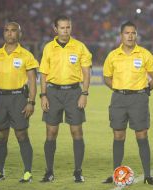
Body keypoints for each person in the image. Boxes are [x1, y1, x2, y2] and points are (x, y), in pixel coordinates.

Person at [102, 21, 153, 185]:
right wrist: (117, 87)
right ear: (121, 35)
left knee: (141, 135)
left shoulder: (144, 54)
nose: (130, 35)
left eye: (133, 33)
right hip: (118, 99)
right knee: (118, 135)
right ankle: (116, 173)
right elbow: (106, 77)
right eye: (127, 33)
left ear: (136, 35)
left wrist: (145, 91)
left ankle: (148, 176)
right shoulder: (113, 55)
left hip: (138, 99)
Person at [39, 15, 92, 183]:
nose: (65, 30)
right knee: (51, 133)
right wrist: (43, 95)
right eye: (62, 27)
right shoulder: (48, 48)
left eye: (68, 27)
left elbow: (86, 72)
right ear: (55, 29)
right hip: (53, 93)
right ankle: (49, 171)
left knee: (76, 132)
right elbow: (43, 74)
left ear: (71, 27)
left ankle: (77, 171)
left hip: (74, 92)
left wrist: (84, 94)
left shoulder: (80, 47)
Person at [0, 22, 38, 183]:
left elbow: (32, 81)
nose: (9, 33)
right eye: (7, 31)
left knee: (21, 134)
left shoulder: (26, 55)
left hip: (19, 98)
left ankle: (27, 172)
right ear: (4, 33)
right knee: (0, 136)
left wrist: (31, 102)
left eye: (13, 30)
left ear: (19, 34)